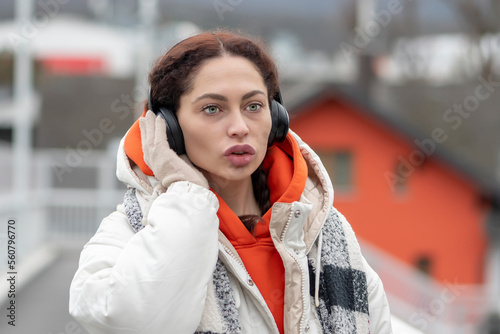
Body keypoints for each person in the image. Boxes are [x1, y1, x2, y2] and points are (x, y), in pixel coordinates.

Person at [69, 30, 393, 334]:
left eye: (254, 106)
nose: (239, 127)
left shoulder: (324, 233)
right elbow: (142, 321)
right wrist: (187, 197)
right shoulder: (127, 234)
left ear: (276, 118)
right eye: (212, 109)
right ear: (169, 128)